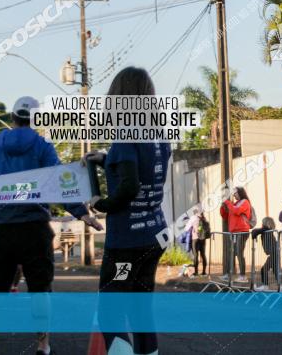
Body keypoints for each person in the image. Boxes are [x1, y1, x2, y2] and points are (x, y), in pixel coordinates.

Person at [0, 95, 102, 355]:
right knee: (40, 290)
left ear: (12, 118)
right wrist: (82, 213)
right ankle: (43, 345)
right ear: (35, 120)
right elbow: (59, 184)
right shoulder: (43, 147)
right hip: (35, 230)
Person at [88, 67, 170, 355]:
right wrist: (106, 159)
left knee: (110, 312)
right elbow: (140, 170)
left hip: (127, 242)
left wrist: (102, 205)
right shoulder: (158, 135)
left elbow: (130, 185)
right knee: (141, 312)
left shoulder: (126, 134)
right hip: (154, 234)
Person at [220, 187, 253, 283]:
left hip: (242, 231)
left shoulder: (245, 202)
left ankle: (243, 276)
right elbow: (226, 216)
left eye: (235, 193)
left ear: (240, 193)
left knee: (239, 253)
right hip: (235, 232)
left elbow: (236, 211)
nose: (233, 195)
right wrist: (223, 207)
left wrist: (227, 202)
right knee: (232, 253)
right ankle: (227, 275)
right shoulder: (235, 204)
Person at [250, 216, 279, 291]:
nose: (261, 224)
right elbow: (256, 231)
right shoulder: (267, 230)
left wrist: (254, 236)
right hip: (274, 253)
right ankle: (280, 286)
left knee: (264, 269)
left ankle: (266, 286)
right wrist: (255, 235)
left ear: (265, 223)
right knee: (275, 270)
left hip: (273, 253)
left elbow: (255, 231)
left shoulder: (266, 229)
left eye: (262, 223)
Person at [193, 211, 211, 276]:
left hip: (195, 239)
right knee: (203, 255)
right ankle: (204, 272)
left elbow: (194, 230)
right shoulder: (205, 220)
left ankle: (196, 272)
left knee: (195, 255)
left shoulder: (195, 220)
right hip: (203, 239)